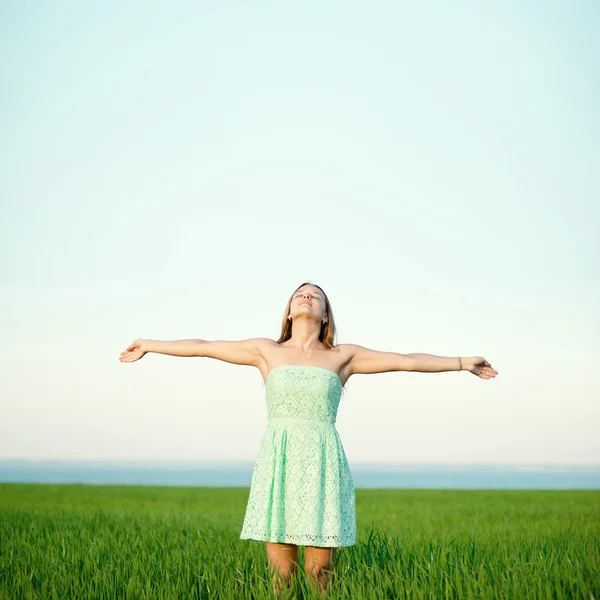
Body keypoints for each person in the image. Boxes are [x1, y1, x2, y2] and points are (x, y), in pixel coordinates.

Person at [119, 281, 498, 595]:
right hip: (279, 460)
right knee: (282, 580)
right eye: (299, 293)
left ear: (325, 314)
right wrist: (150, 345)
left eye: (315, 295)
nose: (306, 296)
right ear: (288, 311)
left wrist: (463, 363)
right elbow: (203, 347)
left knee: (320, 578)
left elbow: (406, 360)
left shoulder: (342, 356)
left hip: (322, 461)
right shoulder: (265, 350)